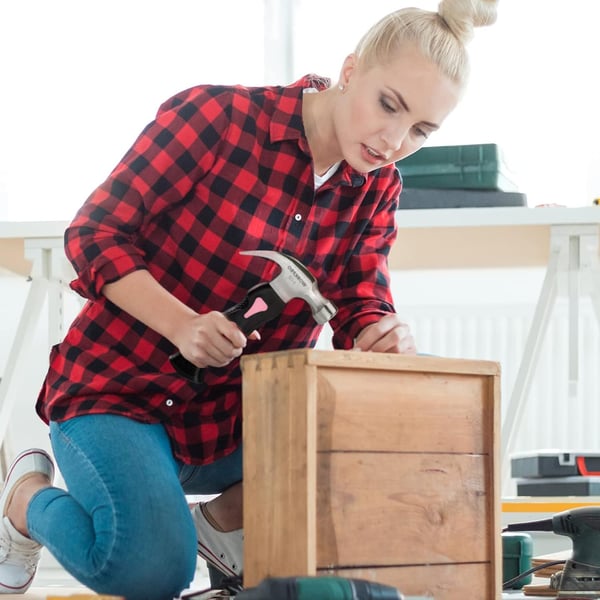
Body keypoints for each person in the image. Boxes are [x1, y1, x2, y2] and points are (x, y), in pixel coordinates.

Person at [0, 1, 497, 598]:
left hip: (232, 424)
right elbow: (94, 233)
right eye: (388, 104)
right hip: (119, 395)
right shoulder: (218, 118)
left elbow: (360, 299)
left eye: (421, 130)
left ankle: (217, 527)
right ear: (350, 69)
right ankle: (24, 500)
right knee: (151, 572)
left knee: (374, 448)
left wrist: (379, 331)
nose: (393, 140)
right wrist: (182, 325)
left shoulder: (377, 187)